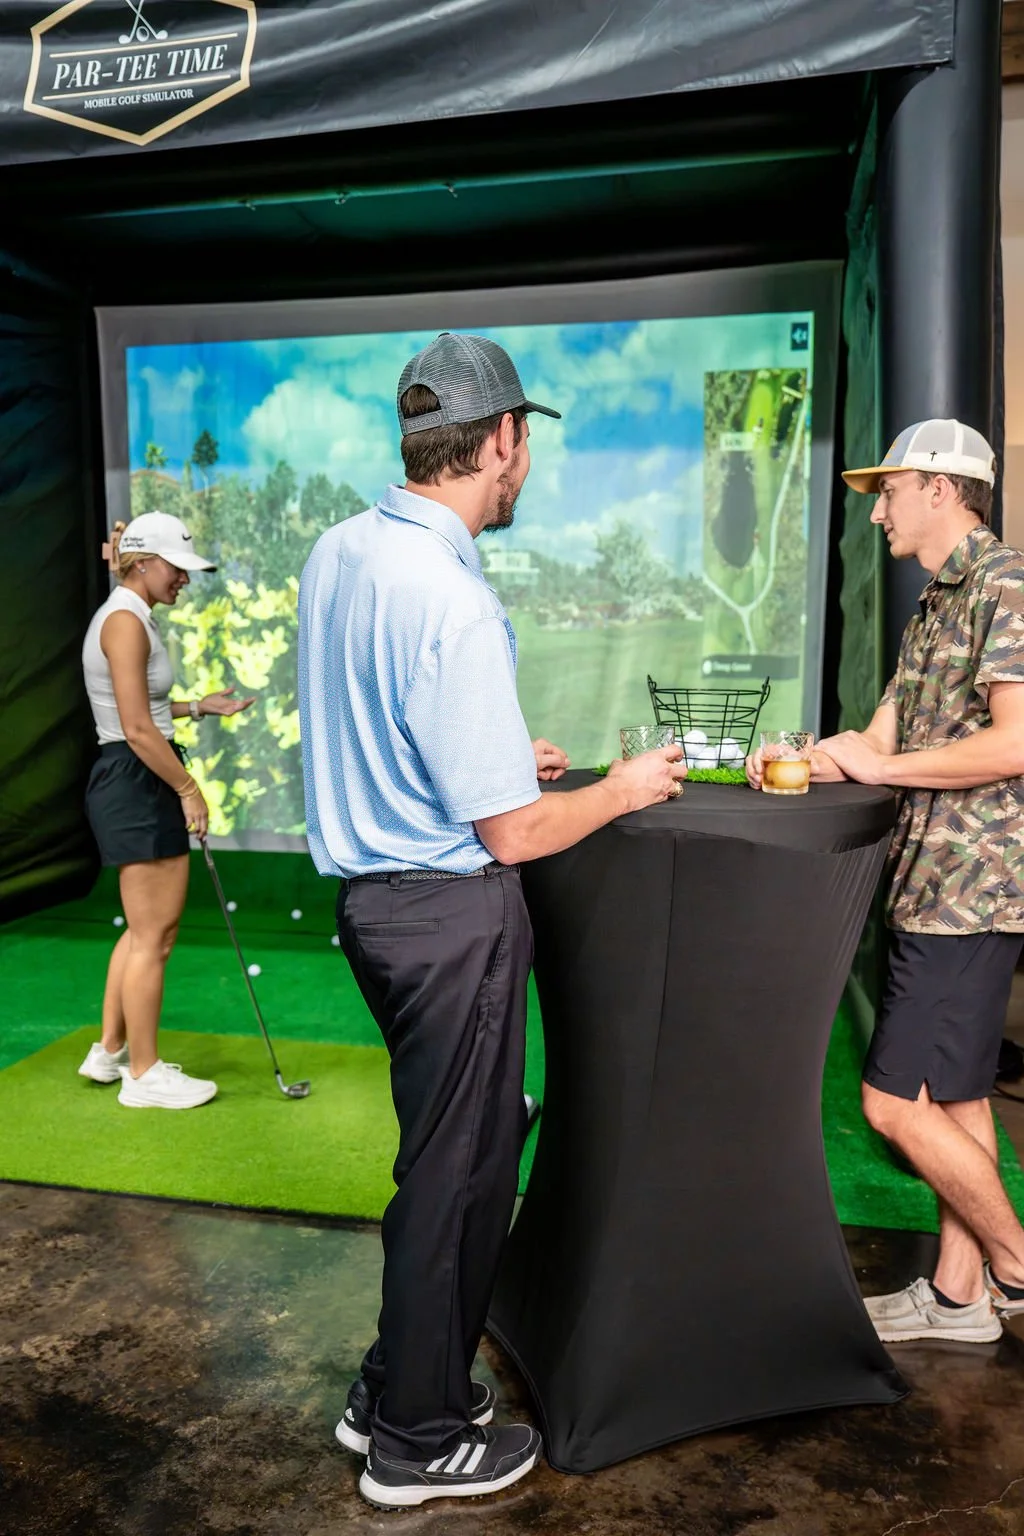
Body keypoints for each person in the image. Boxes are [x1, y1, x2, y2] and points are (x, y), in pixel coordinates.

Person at [298, 331, 686, 1509]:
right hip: (448, 919)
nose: (526, 467)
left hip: (376, 912)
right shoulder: (450, 592)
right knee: (459, 1181)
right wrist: (617, 790)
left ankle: (388, 1389)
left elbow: (386, 716)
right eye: (528, 445)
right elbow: (510, 837)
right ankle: (417, 1438)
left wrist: (500, 758)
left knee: (442, 1162)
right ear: (503, 440)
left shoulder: (340, 550)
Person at [747, 419, 1024, 1344]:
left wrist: (879, 771)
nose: (877, 516)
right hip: (931, 885)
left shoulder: (1004, 583)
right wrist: (801, 758)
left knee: (888, 1102)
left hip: (971, 893)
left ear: (942, 489)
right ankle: (959, 1296)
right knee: (957, 1098)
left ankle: (1016, 1266)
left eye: (890, 492)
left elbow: (1014, 743)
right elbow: (879, 742)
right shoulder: (933, 606)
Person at [80, 511, 254, 1110]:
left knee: (143, 930)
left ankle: (109, 1052)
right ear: (146, 563)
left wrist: (197, 707)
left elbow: (142, 708)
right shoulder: (125, 623)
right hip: (138, 779)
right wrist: (188, 788)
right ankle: (145, 1075)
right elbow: (133, 727)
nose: (185, 579)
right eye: (177, 568)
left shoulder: (130, 615)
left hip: (132, 776)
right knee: (155, 934)